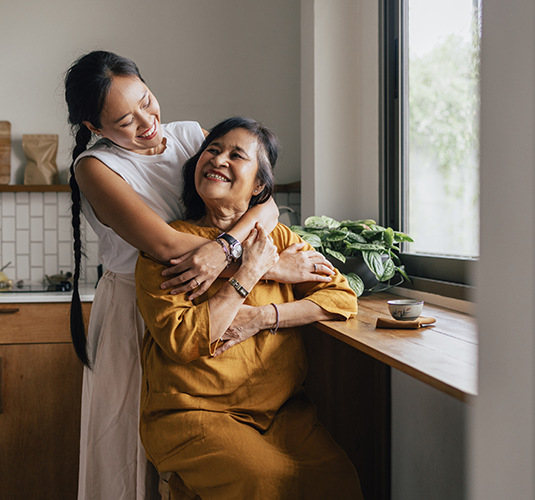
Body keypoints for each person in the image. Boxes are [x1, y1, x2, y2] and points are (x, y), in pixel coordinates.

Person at [64, 51, 336, 500]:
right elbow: (166, 247)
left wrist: (241, 255)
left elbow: (262, 201)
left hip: (222, 296)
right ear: (95, 128)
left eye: (146, 101)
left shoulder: (191, 135)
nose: (146, 122)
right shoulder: (94, 167)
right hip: (143, 308)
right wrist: (262, 261)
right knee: (131, 452)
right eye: (124, 121)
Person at [135, 117, 364, 500]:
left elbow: (341, 298)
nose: (218, 159)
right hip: (193, 414)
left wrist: (262, 319)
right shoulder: (169, 246)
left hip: (281, 413)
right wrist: (252, 269)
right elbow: (184, 340)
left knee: (340, 480)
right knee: (264, 482)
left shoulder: (278, 237)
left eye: (236, 155)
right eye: (213, 149)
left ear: (259, 184)